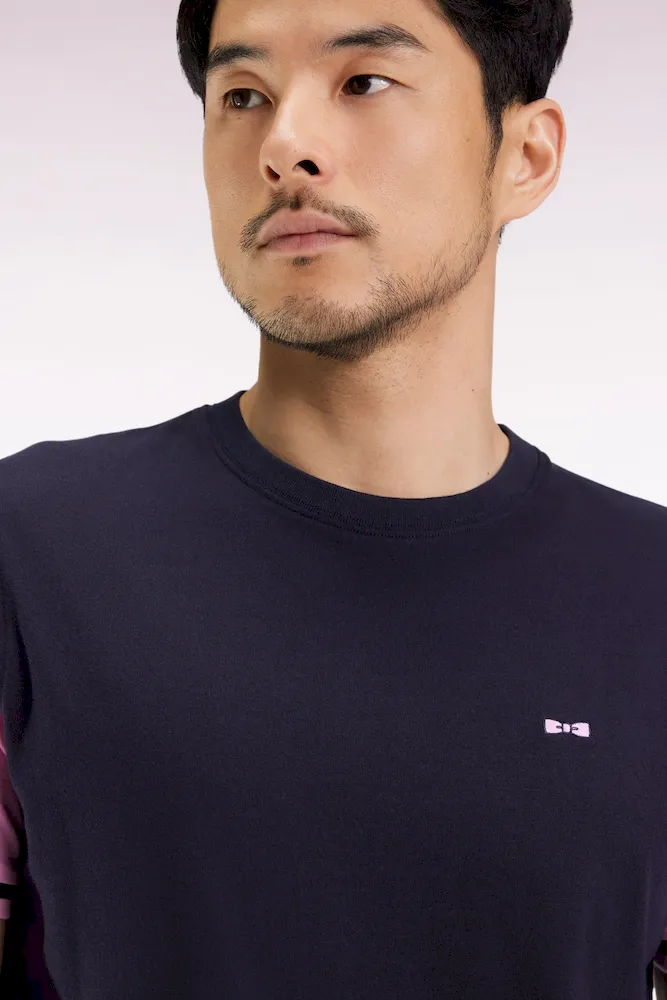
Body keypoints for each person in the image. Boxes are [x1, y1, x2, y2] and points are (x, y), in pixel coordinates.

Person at [0, 0, 666, 996]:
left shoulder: (648, 592)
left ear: (524, 157)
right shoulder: (32, 550)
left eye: (364, 81)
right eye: (242, 95)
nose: (285, 145)